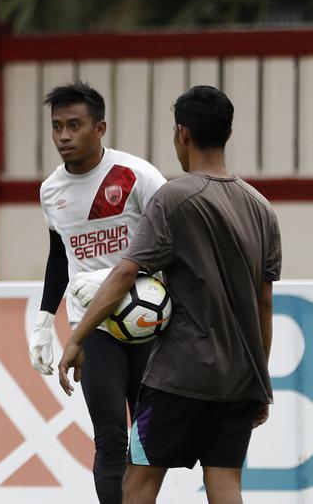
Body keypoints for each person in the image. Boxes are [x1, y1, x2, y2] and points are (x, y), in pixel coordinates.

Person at [59, 85, 279, 504]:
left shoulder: (173, 198)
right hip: (237, 379)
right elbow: (263, 303)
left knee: (137, 484)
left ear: (183, 134)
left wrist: (77, 336)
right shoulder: (261, 208)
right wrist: (259, 381)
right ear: (226, 133)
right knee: (226, 485)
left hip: (177, 378)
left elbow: (126, 273)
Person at [26, 82, 166, 504]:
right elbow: (59, 256)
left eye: (74, 125)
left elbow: (175, 242)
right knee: (108, 438)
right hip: (94, 329)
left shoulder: (138, 176)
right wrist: (44, 321)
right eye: (56, 127)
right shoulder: (50, 191)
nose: (64, 136)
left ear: (100, 127)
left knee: (148, 441)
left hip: (146, 325)